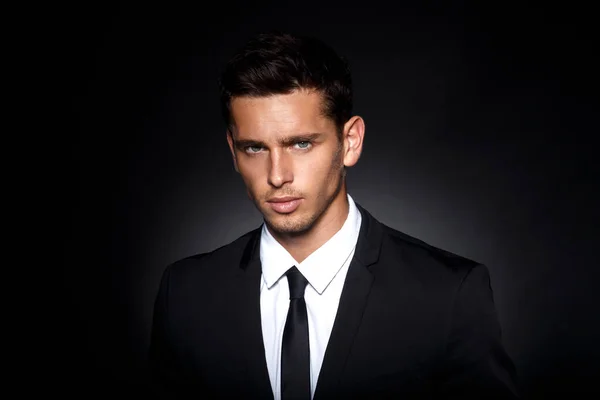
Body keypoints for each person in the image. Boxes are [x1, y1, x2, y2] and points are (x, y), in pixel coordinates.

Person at [148, 31, 520, 399]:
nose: (277, 175)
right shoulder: (184, 294)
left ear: (350, 142)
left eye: (301, 143)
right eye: (254, 148)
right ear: (233, 151)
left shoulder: (449, 295)